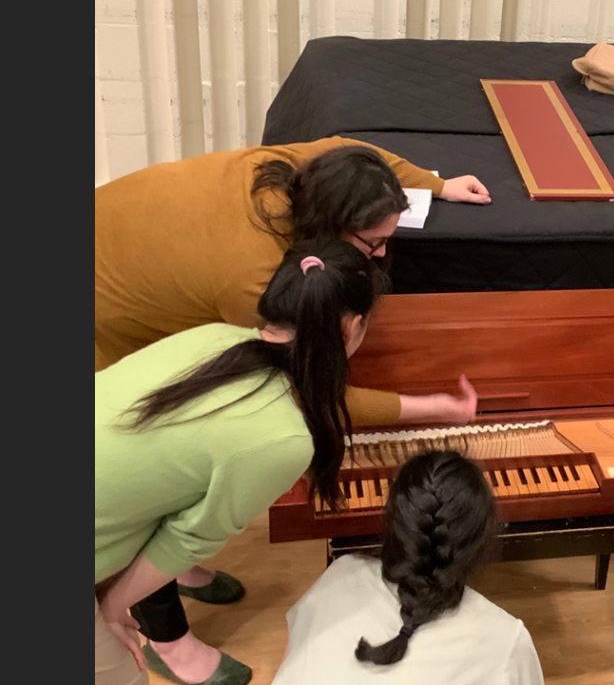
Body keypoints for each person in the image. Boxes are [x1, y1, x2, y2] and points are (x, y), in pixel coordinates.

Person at [95, 241, 460, 685]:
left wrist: (435, 406)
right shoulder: (282, 442)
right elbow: (187, 538)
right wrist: (111, 611)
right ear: (352, 328)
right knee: (125, 675)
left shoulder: (217, 337)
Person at [95, 138, 488, 426]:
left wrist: (437, 185)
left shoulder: (300, 171)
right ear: (333, 229)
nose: (383, 253)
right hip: (107, 313)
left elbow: (355, 150)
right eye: (375, 242)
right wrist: (434, 407)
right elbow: (302, 394)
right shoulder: (256, 283)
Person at [272, 450, 544, 685]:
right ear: (480, 540)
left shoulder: (340, 571)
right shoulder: (506, 640)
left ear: (393, 523)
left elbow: (290, 660)